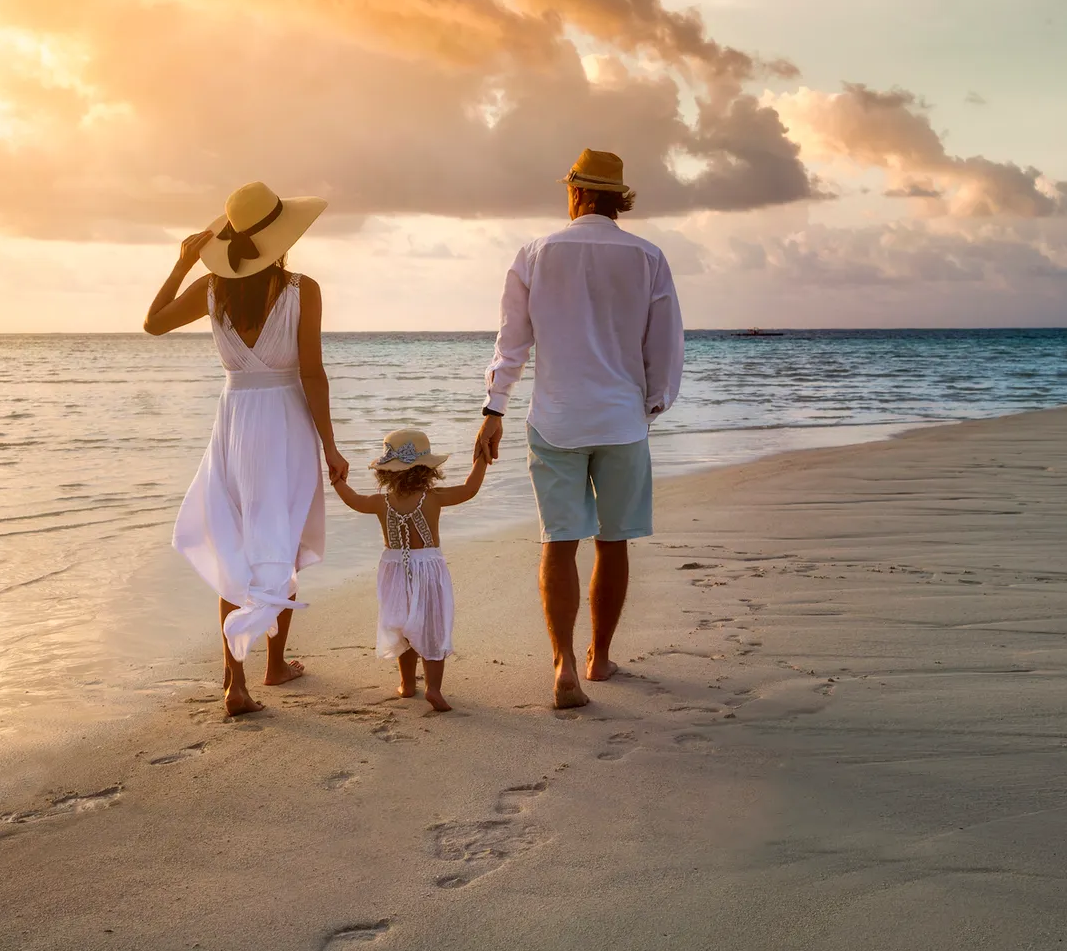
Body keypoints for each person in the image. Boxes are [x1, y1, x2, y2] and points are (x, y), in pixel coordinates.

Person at [474, 149, 684, 709]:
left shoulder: (535, 254)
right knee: (612, 542)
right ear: (617, 198)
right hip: (621, 419)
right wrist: (652, 405)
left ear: (577, 194)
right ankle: (599, 656)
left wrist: (493, 410)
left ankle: (563, 661)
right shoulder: (648, 257)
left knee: (558, 541)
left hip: (556, 418)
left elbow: (512, 342)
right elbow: (663, 345)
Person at [145, 181, 350, 717]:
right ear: (283, 237)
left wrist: (182, 264)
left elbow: (153, 322)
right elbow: (312, 373)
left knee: (236, 544)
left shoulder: (212, 289)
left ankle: (234, 682)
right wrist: (330, 445)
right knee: (278, 535)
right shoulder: (303, 289)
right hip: (285, 422)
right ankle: (275, 664)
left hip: (235, 423)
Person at [330, 429, 488, 714]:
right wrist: (481, 459)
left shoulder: (381, 503)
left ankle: (406, 684)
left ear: (386, 473)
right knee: (432, 627)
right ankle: (433, 688)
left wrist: (337, 480)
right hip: (428, 568)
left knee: (402, 626)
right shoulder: (434, 498)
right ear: (427, 469)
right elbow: (469, 489)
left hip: (394, 571)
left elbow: (352, 500)